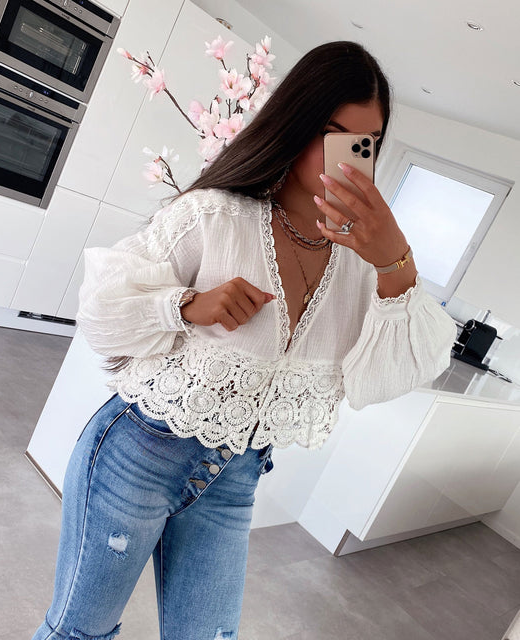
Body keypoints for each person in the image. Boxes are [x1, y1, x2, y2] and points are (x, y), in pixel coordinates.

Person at [32, 41, 456, 640]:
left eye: (367, 142)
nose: (347, 157)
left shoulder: (363, 270)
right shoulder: (214, 216)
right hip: (137, 455)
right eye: (333, 134)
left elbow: (392, 373)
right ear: (296, 123)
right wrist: (186, 305)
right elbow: (101, 311)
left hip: (234, 480)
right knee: (80, 633)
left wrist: (396, 262)